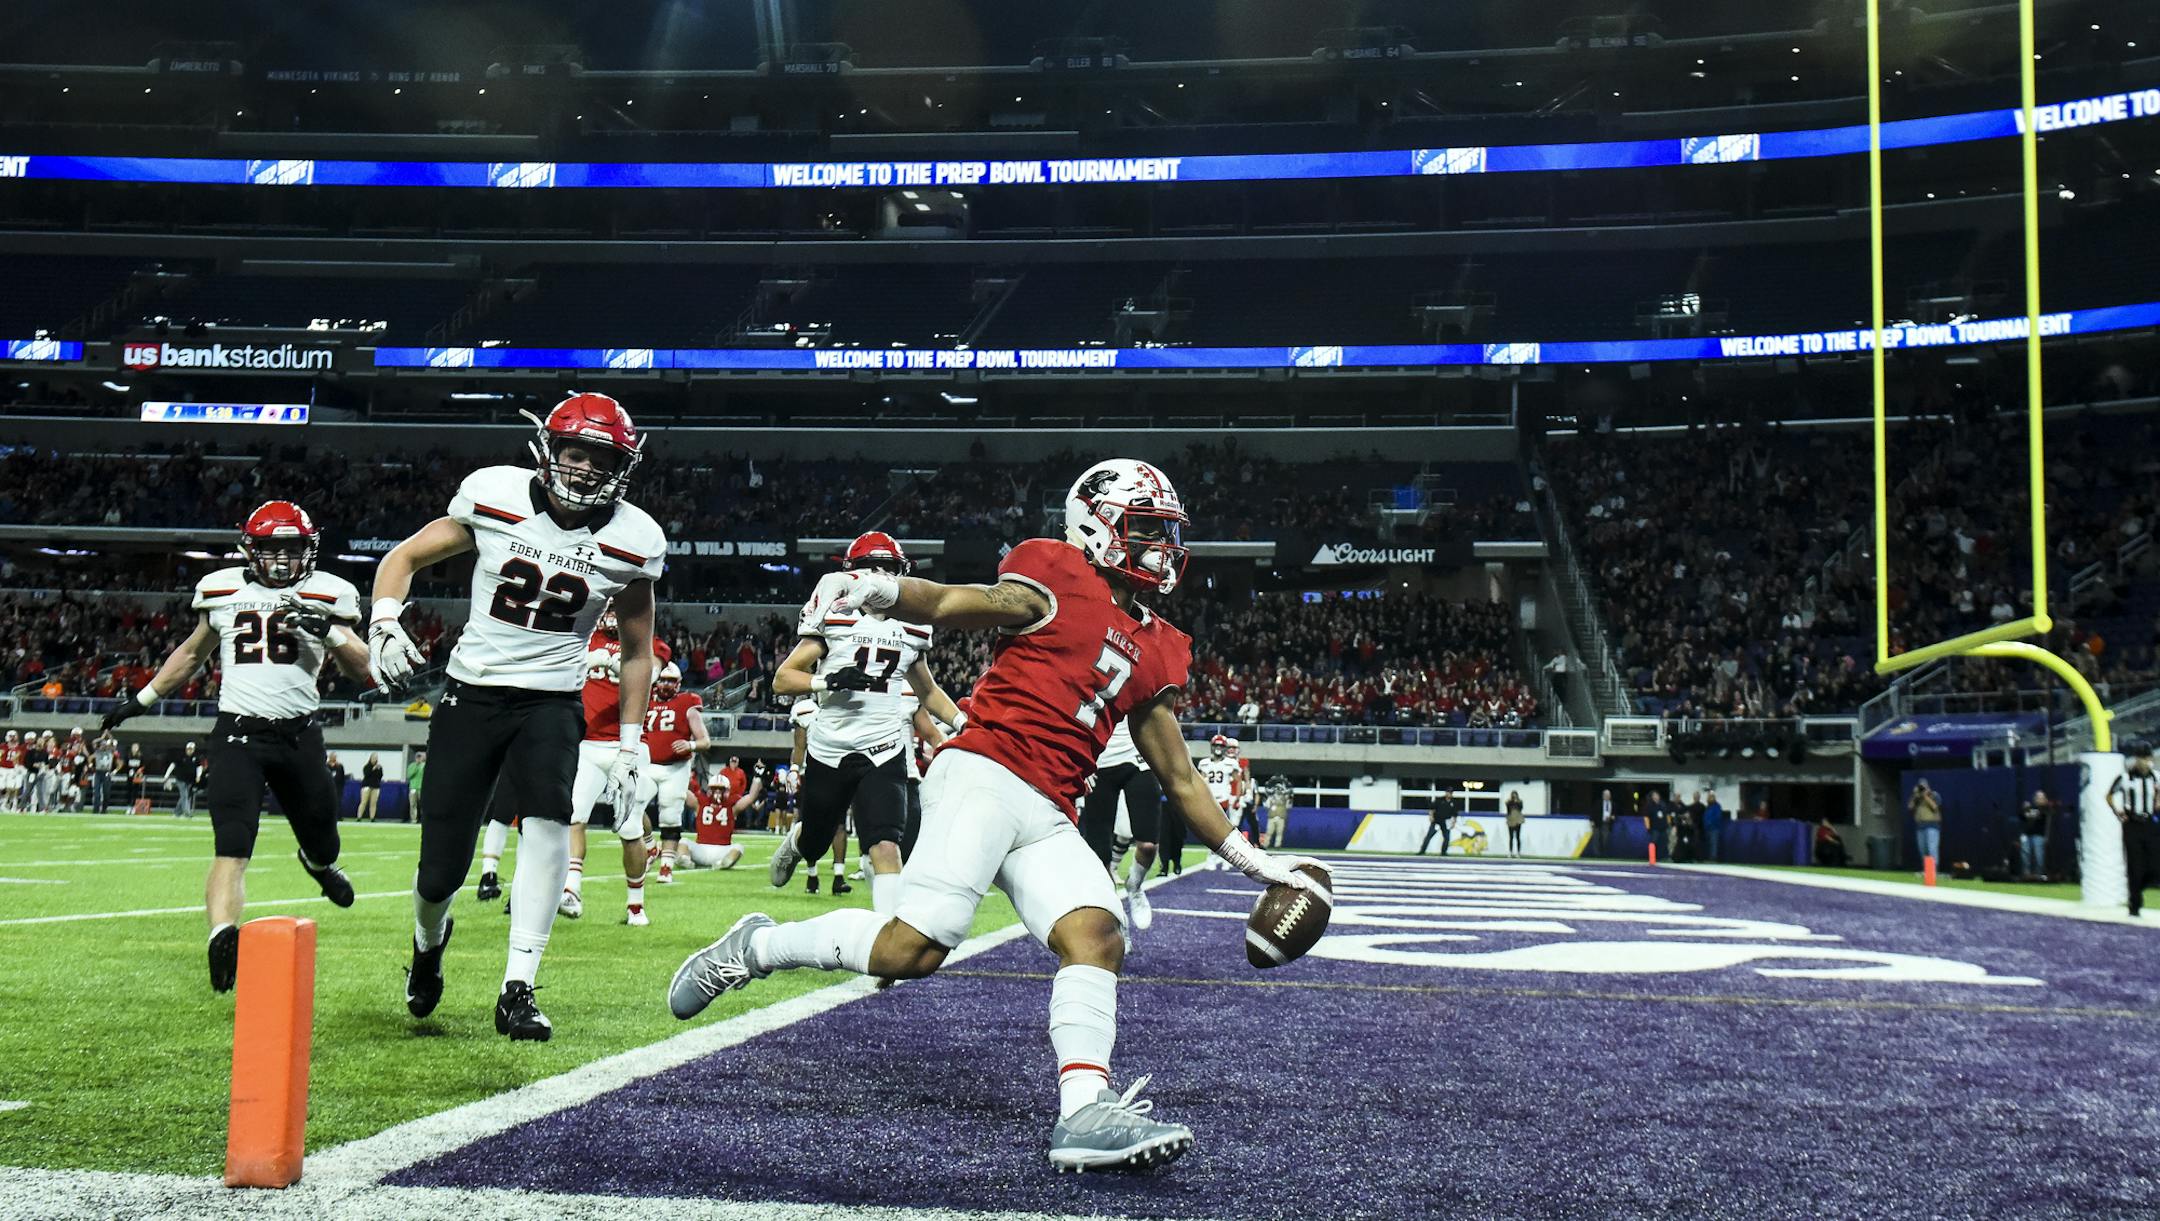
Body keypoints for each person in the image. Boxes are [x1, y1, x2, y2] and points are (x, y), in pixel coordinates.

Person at [667, 458, 1320, 1172]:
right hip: (985, 772)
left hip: (1050, 806)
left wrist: (1259, 863)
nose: (1161, 547)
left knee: (1098, 935)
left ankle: (1083, 1111)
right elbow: (956, 600)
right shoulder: (1058, 573)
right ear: (1096, 525)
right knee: (911, 952)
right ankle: (756, 947)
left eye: (1166, 532)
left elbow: (1182, 777)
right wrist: (890, 590)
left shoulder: (1161, 644)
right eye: (1145, 529)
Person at [369, 391, 667, 1040]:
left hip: (551, 699)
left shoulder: (635, 538)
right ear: (549, 450)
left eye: (601, 459)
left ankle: (519, 986)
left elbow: (638, 650)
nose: (585, 469)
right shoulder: (496, 494)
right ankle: (428, 943)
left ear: (623, 467)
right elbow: (404, 557)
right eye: (576, 453)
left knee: (550, 821)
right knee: (440, 868)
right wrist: (385, 620)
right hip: (472, 691)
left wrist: (630, 743)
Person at [100, 499, 366, 991]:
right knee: (232, 844)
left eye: (292, 548)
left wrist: (329, 632)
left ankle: (318, 864)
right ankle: (222, 933)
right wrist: (141, 699)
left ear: (309, 548)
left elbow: (363, 668)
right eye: (272, 549)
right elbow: (192, 653)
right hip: (238, 735)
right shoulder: (221, 589)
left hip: (299, 735)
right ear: (250, 549)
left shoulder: (330, 592)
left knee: (323, 839)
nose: (282, 560)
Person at [769, 531, 962, 919]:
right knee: (817, 843)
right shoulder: (835, 614)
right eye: (872, 567)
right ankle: (800, 839)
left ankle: (889, 936)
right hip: (831, 746)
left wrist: (964, 722)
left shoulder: (914, 626)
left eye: (887, 568)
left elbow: (928, 691)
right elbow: (782, 679)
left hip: (885, 747)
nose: (879, 576)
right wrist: (828, 681)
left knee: (886, 843)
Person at [557, 606, 672, 923]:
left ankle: (636, 905)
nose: (610, 612)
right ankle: (571, 889)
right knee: (575, 815)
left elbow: (652, 672)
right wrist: (587, 659)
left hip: (629, 746)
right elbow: (562, 665)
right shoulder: (587, 637)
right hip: (588, 743)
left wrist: (614, 663)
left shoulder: (648, 641)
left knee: (630, 828)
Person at [643, 661, 711, 887]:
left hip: (675, 768)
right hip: (647, 764)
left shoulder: (687, 702)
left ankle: (666, 866)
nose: (665, 685)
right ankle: (650, 846)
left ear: (679, 684)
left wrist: (690, 745)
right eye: (662, 680)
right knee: (630, 807)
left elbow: (705, 741)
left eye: (671, 681)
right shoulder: (645, 700)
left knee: (670, 816)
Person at [682, 762, 766, 871]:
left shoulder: (700, 804)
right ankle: (724, 862)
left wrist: (679, 774)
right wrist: (757, 777)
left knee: (683, 842)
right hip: (720, 852)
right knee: (738, 847)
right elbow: (751, 797)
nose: (718, 792)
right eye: (715, 789)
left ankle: (685, 859)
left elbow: (684, 792)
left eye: (720, 789)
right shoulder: (731, 807)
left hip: (702, 850)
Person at [2108, 742, 2160, 917]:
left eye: (2146, 757)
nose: (2143, 761)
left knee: (2155, 865)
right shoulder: (2125, 777)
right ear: (2136, 759)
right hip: (2132, 824)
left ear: (2150, 758)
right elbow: (2109, 795)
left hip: (2150, 823)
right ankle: (2134, 903)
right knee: (2135, 866)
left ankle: (2138, 890)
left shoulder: (2157, 777)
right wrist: (2118, 812)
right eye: (2140, 757)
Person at [1910, 779, 1943, 871]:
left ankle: (1934, 870)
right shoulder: (1917, 798)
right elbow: (1910, 807)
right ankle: (1926, 870)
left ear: (1928, 786)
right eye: (1920, 786)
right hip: (1920, 826)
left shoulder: (1934, 795)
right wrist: (1914, 796)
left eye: (1923, 786)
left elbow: (1935, 807)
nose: (1922, 788)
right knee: (1922, 850)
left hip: (1932, 826)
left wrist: (1925, 796)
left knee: (1931, 849)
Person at [2018, 789, 2051, 879]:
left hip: (2038, 835)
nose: (2039, 799)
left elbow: (2042, 818)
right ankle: (2026, 874)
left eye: (2041, 797)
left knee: (2038, 855)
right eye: (2037, 797)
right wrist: (2024, 809)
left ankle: (2039, 875)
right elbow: (2022, 817)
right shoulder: (2030, 808)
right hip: (2026, 834)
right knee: (2025, 855)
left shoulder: (2045, 809)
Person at [1418, 791, 1456, 856]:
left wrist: (1453, 822)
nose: (1449, 794)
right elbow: (1431, 808)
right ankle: (1422, 851)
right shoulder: (1439, 800)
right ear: (1446, 793)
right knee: (1429, 836)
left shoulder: (1453, 802)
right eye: (1448, 792)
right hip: (1437, 821)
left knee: (1447, 838)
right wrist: (1431, 816)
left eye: (1450, 793)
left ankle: (1443, 852)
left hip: (1446, 822)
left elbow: (1455, 814)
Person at [90, 731, 119, 814]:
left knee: (106, 792)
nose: (104, 746)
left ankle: (104, 809)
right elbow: (94, 742)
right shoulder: (97, 751)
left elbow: (112, 741)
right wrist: (102, 738)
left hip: (106, 772)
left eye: (105, 744)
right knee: (96, 792)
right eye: (102, 744)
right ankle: (95, 810)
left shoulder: (111, 751)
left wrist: (108, 735)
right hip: (98, 772)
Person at [1263, 777, 1291, 849]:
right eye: (1277, 789)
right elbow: (1266, 805)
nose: (1278, 790)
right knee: (1269, 832)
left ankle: (1277, 845)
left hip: (1280, 817)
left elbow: (1288, 806)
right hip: (1272, 817)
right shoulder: (1271, 798)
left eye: (1280, 789)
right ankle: (1266, 844)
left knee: (1279, 833)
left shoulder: (1285, 799)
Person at [1700, 789, 1725, 862]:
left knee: (1713, 844)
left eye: (1710, 797)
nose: (1709, 798)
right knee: (1709, 844)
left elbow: (1717, 817)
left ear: (1714, 798)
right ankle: (1709, 858)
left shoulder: (1717, 806)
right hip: (1707, 829)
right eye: (1708, 797)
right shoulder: (1708, 807)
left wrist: (1710, 823)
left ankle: (1713, 858)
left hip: (1714, 829)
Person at [358, 754, 384, 822]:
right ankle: (359, 817)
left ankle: (372, 818)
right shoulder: (367, 766)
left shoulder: (379, 767)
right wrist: (373, 769)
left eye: (376, 758)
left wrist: (379, 769)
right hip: (366, 786)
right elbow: (366, 774)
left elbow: (380, 776)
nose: (375, 759)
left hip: (375, 787)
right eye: (373, 758)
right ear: (370, 758)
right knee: (363, 802)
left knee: (373, 803)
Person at [0, 730, 20, 811]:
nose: (12, 739)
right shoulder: (3, 746)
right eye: (11, 737)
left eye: (13, 737)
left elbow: (18, 758)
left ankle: (4, 803)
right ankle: (2, 801)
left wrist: (17, 767)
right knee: (1, 786)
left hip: (12, 769)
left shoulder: (18, 747)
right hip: (2, 768)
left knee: (10, 787)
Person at [406, 749, 427, 818]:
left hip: (422, 788)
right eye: (417, 757)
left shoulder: (424, 766)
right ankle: (413, 819)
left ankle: (423, 818)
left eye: (420, 757)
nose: (419, 758)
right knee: (413, 804)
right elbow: (409, 775)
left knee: (423, 804)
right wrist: (416, 766)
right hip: (413, 788)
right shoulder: (412, 765)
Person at [1593, 788, 1615, 856]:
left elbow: (1615, 813)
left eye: (1608, 795)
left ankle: (1603, 854)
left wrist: (1612, 817)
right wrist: (1592, 820)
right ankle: (1596, 855)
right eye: (1605, 795)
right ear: (1603, 795)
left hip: (1607, 824)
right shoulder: (1598, 803)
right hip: (1597, 823)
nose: (1607, 796)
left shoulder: (1613, 804)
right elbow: (1593, 812)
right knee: (1596, 839)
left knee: (1605, 839)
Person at [325, 752, 347, 819]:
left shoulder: (339, 766)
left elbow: (342, 777)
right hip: (328, 787)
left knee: (338, 802)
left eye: (335, 756)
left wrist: (342, 787)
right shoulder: (325, 766)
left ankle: (338, 816)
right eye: (332, 756)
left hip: (338, 787)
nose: (333, 758)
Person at [1504, 789, 1525, 856]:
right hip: (1511, 819)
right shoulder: (1509, 802)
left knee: (1518, 837)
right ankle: (1510, 852)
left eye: (1515, 795)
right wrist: (1510, 801)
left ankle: (1518, 852)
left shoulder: (1519, 802)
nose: (1514, 796)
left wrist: (1517, 802)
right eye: (1513, 795)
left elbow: (1521, 808)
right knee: (1511, 837)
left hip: (1518, 819)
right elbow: (1507, 809)